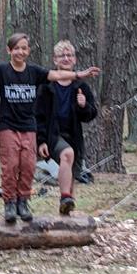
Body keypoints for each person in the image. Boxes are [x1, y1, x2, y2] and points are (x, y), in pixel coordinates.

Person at [0, 33, 100, 223]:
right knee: (10, 165)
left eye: (24, 48)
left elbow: (58, 75)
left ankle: (23, 202)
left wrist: (79, 75)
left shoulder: (35, 72)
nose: (20, 52)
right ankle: (10, 202)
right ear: (9, 50)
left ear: (28, 51)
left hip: (31, 127)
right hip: (8, 125)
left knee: (28, 165)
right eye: (16, 48)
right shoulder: (2, 70)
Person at [35, 40, 98, 215]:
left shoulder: (81, 86)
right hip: (52, 134)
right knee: (67, 154)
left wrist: (83, 105)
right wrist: (41, 141)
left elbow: (91, 114)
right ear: (55, 60)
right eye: (61, 55)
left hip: (74, 135)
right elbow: (38, 115)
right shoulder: (46, 86)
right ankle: (64, 197)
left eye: (69, 55)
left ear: (75, 60)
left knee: (72, 170)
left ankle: (66, 210)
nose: (66, 58)